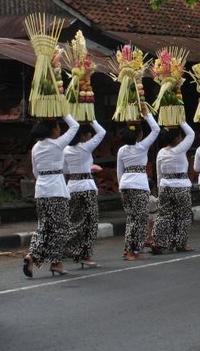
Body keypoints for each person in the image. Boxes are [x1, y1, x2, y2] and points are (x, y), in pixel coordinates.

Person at [24, 114, 79, 277]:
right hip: (56, 190)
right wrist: (64, 114)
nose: (60, 130)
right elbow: (75, 126)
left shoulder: (36, 147)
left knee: (44, 226)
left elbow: (35, 171)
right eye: (58, 127)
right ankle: (55, 262)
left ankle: (33, 255)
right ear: (54, 130)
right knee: (60, 227)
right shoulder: (57, 144)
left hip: (41, 189)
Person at [116, 104, 161, 260]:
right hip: (138, 186)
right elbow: (156, 129)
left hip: (126, 185)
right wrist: (147, 114)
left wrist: (121, 190)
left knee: (132, 218)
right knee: (140, 219)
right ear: (139, 135)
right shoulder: (141, 147)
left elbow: (119, 171)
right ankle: (132, 251)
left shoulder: (122, 150)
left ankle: (129, 250)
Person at [62, 119, 107, 268]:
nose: (90, 137)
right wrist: (92, 120)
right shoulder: (85, 148)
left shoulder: (66, 149)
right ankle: (84, 254)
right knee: (89, 222)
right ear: (82, 136)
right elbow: (102, 132)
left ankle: (68, 247)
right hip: (86, 187)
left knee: (74, 220)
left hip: (72, 186)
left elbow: (65, 170)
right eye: (88, 134)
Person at [152, 121, 196, 253]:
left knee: (164, 215)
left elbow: (159, 173)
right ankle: (180, 243)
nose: (182, 139)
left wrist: (160, 189)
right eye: (180, 137)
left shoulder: (161, 152)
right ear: (177, 139)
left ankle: (158, 243)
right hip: (180, 186)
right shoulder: (180, 149)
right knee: (183, 216)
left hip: (165, 185)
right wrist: (181, 120)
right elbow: (191, 133)